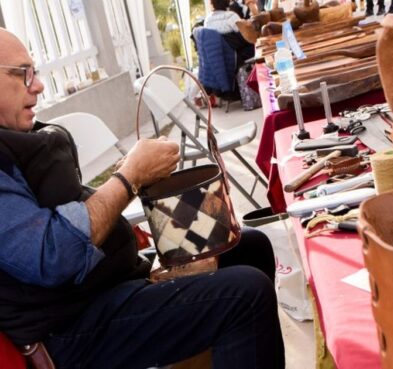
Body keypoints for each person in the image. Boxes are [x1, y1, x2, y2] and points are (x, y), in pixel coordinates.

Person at [0, 27, 285, 369]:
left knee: (250, 246)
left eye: (36, 72)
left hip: (103, 285)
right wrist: (129, 177)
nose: (38, 85)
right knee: (245, 295)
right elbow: (52, 255)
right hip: (68, 326)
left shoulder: (18, 137)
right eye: (22, 73)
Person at [204, 0, 255, 67]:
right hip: (234, 56)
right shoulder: (231, 16)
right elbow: (245, 37)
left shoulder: (207, 20)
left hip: (217, 59)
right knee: (256, 46)